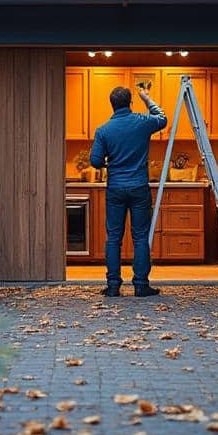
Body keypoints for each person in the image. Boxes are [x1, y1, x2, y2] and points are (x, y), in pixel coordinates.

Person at [89, 84, 167, 297]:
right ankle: (141, 285)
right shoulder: (142, 122)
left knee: (114, 237)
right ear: (130, 103)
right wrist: (147, 99)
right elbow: (162, 118)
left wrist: (109, 163)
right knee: (140, 236)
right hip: (139, 186)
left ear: (112, 105)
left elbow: (95, 161)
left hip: (115, 188)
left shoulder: (103, 130)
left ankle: (113, 286)